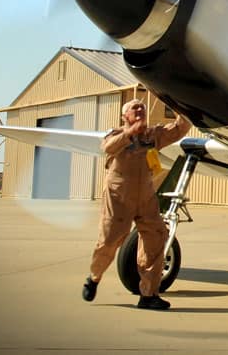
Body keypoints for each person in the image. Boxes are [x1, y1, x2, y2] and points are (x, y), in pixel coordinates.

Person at [81, 98, 190, 310]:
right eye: (134, 108)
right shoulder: (115, 134)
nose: (140, 110)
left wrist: (177, 103)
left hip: (146, 197)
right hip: (119, 197)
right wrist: (129, 133)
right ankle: (94, 278)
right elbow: (107, 148)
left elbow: (181, 128)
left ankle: (149, 295)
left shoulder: (153, 135)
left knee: (156, 240)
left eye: (142, 107)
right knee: (109, 241)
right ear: (125, 116)